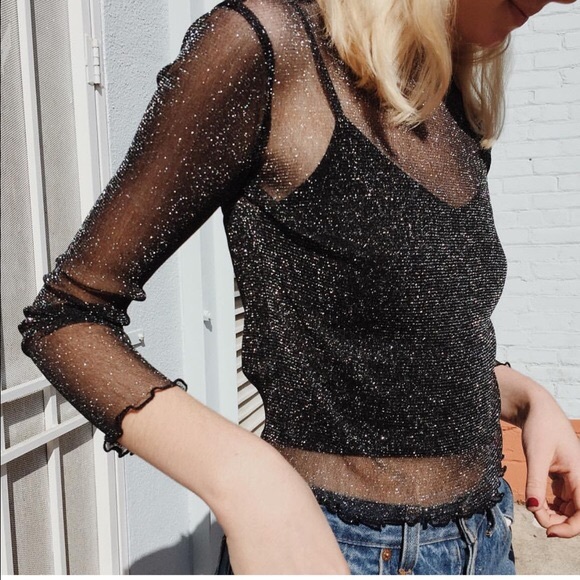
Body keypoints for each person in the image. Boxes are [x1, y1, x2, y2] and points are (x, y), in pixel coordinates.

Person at [20, 0, 579, 574]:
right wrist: (248, 479)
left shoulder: (450, 103)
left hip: (487, 537)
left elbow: (407, 346)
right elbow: (66, 318)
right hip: (335, 549)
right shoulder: (271, 46)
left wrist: (528, 399)